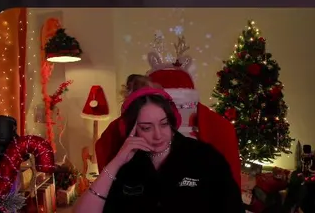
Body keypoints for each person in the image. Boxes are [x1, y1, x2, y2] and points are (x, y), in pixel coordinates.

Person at [75, 88, 243, 213]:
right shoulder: (126, 165)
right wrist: (117, 162)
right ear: (132, 130)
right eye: (146, 128)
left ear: (172, 121)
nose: (158, 135)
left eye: (163, 124)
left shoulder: (204, 157)